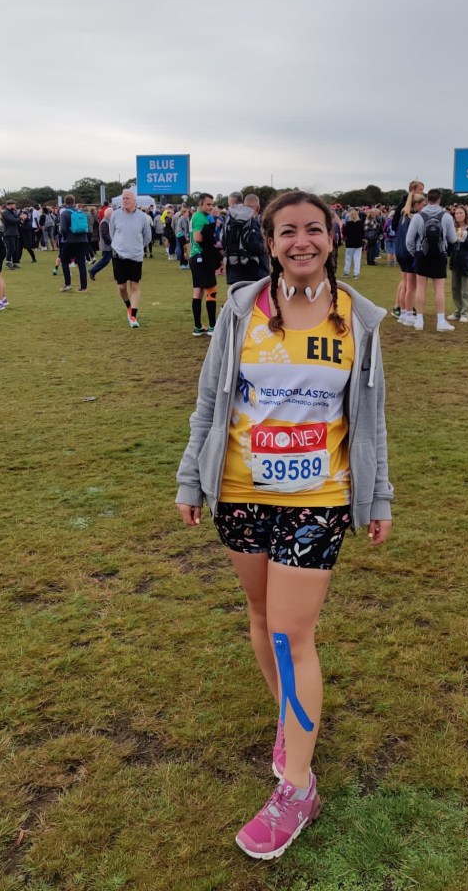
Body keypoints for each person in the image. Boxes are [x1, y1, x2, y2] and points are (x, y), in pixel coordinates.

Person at [176, 190, 393, 860]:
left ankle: (297, 786)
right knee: (260, 615)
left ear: (333, 238)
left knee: (292, 633)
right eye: (288, 231)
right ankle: (288, 722)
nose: (302, 241)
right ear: (269, 244)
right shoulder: (240, 311)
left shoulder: (359, 317)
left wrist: (378, 494)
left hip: (318, 498)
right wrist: (191, 476)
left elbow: (372, 417)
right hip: (240, 491)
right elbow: (211, 401)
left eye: (314, 230)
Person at [405, 188, 457, 331]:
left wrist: (415, 253)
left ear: (427, 199)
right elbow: (452, 239)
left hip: (422, 253)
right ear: (439, 199)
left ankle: (419, 320)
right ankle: (440, 321)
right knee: (439, 288)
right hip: (439, 253)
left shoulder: (418, 216)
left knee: (420, 287)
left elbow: (409, 239)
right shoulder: (446, 216)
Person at [108, 188, 153, 328]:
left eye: (127, 198)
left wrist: (137, 247)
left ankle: (133, 316)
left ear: (134, 200)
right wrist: (120, 246)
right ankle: (128, 305)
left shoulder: (142, 217)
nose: (125, 201)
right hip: (119, 255)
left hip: (135, 256)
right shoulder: (115, 215)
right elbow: (112, 233)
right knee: (121, 286)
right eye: (123, 198)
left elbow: (147, 237)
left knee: (135, 285)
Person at [189, 193, 221, 336]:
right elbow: (198, 238)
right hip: (201, 257)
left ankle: (198, 327)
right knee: (211, 289)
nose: (211, 207)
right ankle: (212, 326)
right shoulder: (199, 217)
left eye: (212, 204)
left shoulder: (202, 217)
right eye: (208, 204)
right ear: (200, 204)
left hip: (197, 257)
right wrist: (212, 228)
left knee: (198, 291)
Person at [223, 191, 270, 285]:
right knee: (255, 299)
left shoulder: (230, 219)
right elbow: (255, 246)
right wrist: (267, 247)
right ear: (257, 207)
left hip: (233, 267)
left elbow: (223, 241)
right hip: (254, 269)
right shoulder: (251, 221)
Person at [394, 190, 426, 328]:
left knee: (405, 285)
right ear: (417, 204)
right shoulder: (415, 217)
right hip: (409, 253)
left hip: (400, 252)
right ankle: (407, 314)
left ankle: (403, 313)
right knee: (411, 287)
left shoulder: (403, 215)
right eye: (423, 205)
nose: (423, 207)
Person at [448, 205, 468, 322]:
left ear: (465, 214)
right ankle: (458, 310)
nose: (458, 215)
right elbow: (450, 246)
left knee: (466, 289)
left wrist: (464, 239)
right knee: (455, 288)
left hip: (467, 262)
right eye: (456, 213)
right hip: (456, 261)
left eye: (461, 213)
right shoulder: (453, 228)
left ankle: (466, 313)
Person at [58, 194, 90, 292]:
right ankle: (83, 287)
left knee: (64, 260)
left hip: (70, 240)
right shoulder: (80, 212)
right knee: (81, 263)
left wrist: (64, 237)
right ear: (74, 201)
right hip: (82, 239)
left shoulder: (64, 213)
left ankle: (68, 284)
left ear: (65, 202)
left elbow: (63, 228)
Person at [89, 207, 113, 281]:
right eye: (113, 213)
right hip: (107, 245)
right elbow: (105, 234)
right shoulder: (104, 222)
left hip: (109, 245)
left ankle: (119, 275)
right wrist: (111, 243)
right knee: (105, 260)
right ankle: (93, 270)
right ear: (109, 214)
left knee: (113, 260)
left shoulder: (107, 221)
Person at [342, 209, 364, 278]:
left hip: (350, 243)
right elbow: (362, 233)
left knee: (348, 259)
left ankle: (346, 273)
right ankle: (356, 274)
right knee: (357, 259)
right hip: (358, 243)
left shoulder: (348, 224)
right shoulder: (360, 224)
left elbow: (345, 233)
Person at [2, 200, 21, 269]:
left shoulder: (12, 212)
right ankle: (8, 262)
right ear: (9, 205)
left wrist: (19, 218)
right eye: (14, 205)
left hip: (14, 232)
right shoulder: (5, 213)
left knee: (16, 248)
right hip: (8, 233)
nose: (15, 206)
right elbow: (13, 221)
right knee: (11, 248)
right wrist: (20, 218)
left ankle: (15, 262)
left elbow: (16, 219)